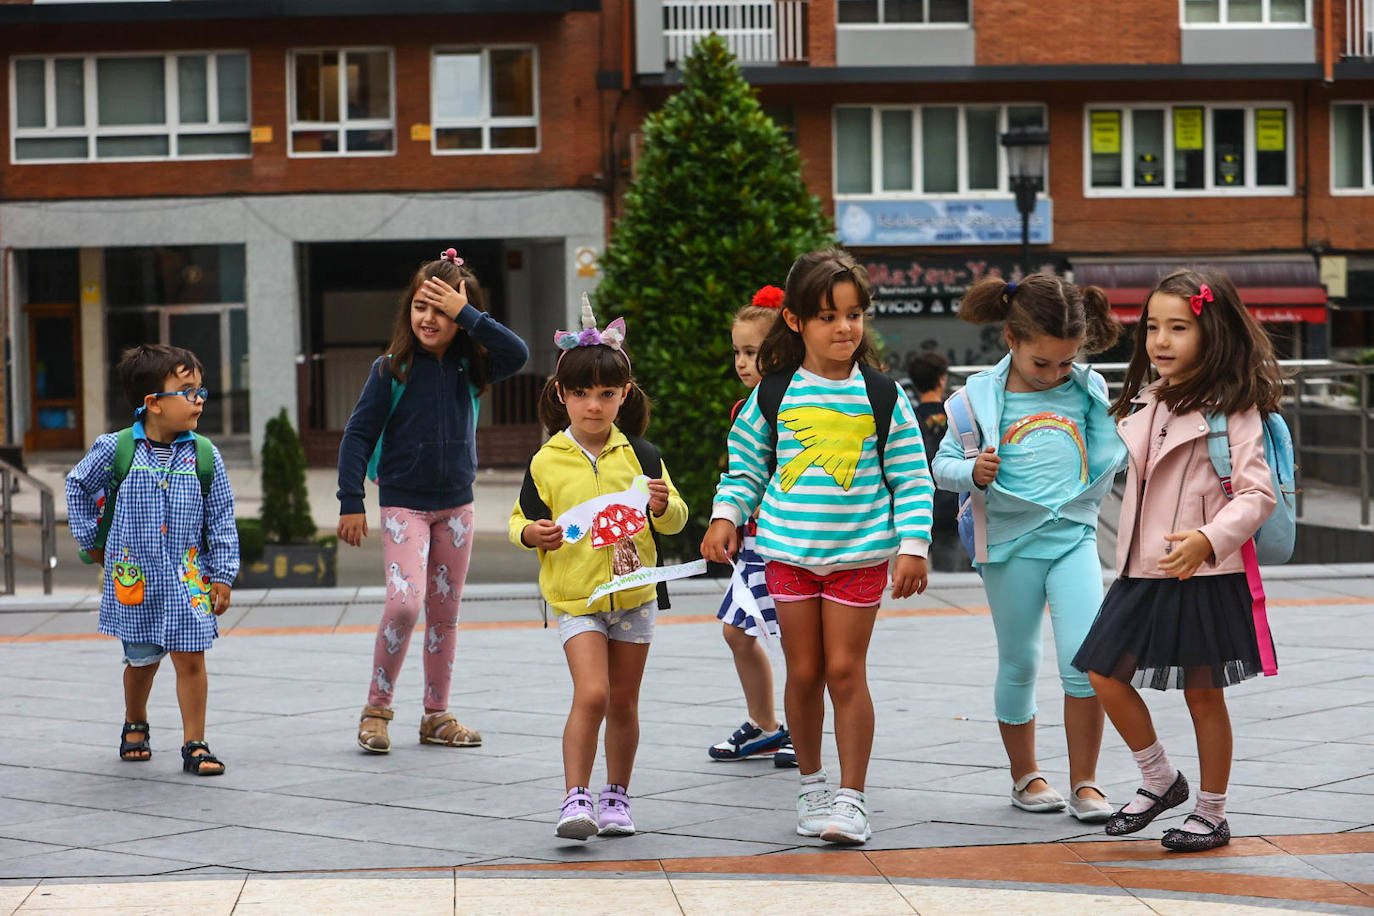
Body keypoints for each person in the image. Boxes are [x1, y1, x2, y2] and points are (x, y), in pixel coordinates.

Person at [701, 248, 933, 845]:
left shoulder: (884, 396)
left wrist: (914, 545)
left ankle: (851, 800)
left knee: (845, 671)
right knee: (803, 673)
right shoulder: (774, 394)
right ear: (798, 322)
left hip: (859, 559)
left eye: (854, 315)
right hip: (788, 558)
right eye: (829, 316)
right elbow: (745, 467)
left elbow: (911, 478)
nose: (845, 328)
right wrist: (726, 515)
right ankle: (812, 786)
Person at [1073, 269, 1282, 852]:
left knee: (1202, 693)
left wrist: (1209, 539)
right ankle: (1160, 778)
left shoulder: (1233, 407)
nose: (1160, 341)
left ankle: (1212, 812)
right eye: (1152, 327)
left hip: (1205, 572)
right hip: (1142, 569)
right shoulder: (1148, 399)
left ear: (1211, 332)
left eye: (1178, 328)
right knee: (1100, 671)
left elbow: (1257, 494)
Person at [931, 274, 1123, 822]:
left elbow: (1107, 450)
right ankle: (1026, 776)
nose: (1055, 374)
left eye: (1065, 362)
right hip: (1009, 545)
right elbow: (941, 468)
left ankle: (1086, 782)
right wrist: (973, 471)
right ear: (1011, 339)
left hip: (1075, 538)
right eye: (1043, 363)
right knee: (1020, 659)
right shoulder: (973, 400)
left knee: (1085, 663)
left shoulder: (1089, 388)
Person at [338, 248, 529, 754]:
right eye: (422, 305)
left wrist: (469, 315)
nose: (429, 318)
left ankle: (436, 715)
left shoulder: (473, 366)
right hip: (405, 505)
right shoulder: (391, 369)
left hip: (458, 509)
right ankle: (376, 709)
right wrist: (349, 499)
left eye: (443, 310)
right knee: (404, 606)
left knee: (444, 615)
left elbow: (519, 354)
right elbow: (358, 436)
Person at [509, 304, 687, 840]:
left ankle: (617, 797)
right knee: (592, 693)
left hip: (634, 597)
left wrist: (661, 505)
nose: (594, 404)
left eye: (606, 394)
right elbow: (522, 518)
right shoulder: (546, 460)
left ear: (624, 393)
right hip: (575, 599)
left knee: (625, 701)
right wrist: (529, 534)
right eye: (582, 393)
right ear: (561, 394)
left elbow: (676, 518)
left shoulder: (642, 455)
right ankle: (575, 797)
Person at [66, 344, 238, 776]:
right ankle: (135, 721)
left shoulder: (204, 455)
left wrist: (222, 575)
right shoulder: (116, 448)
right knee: (141, 660)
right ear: (153, 404)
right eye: (188, 391)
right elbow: (77, 487)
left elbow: (221, 517)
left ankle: (195, 743)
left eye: (201, 390)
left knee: (191, 656)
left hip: (187, 577)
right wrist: (93, 543)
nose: (199, 399)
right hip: (135, 579)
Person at [708, 285, 796, 768]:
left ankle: (800, 732)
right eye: (738, 352)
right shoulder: (748, 406)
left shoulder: (791, 403)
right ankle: (766, 726)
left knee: (793, 643)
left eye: (752, 352)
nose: (742, 362)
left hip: (784, 542)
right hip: (753, 543)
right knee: (738, 633)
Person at [907, 350, 965, 572]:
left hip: (917, 505)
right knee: (950, 575)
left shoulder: (908, 419)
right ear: (942, 379)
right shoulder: (957, 416)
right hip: (951, 505)